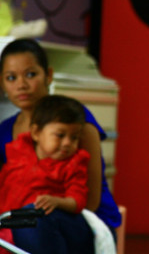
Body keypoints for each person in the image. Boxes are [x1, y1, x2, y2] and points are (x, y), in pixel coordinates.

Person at [0, 38, 122, 240]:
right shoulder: (4, 131)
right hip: (24, 223)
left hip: (83, 220)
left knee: (32, 224)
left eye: (31, 74)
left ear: (48, 75)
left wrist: (51, 204)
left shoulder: (74, 119)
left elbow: (90, 201)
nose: (21, 85)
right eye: (11, 78)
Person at [0, 95, 94, 253]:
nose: (67, 143)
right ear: (36, 132)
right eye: (60, 135)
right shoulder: (17, 151)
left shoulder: (73, 163)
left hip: (42, 228)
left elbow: (78, 201)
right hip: (9, 224)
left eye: (74, 137)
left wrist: (57, 202)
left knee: (31, 221)